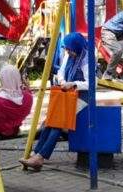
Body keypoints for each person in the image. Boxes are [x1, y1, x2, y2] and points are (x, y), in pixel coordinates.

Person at [20, 32, 89, 172]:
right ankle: (36, 154)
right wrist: (63, 81)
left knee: (58, 122)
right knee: (52, 119)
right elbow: (61, 72)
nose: (68, 52)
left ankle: (40, 157)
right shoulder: (69, 55)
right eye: (67, 49)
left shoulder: (87, 59)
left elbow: (91, 83)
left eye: (70, 49)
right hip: (68, 95)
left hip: (82, 98)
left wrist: (73, 84)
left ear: (77, 47)